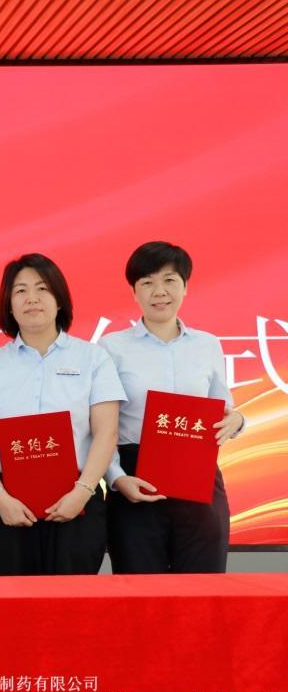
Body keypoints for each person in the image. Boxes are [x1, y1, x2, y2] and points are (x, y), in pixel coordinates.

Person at [0, 253, 126, 575]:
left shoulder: (93, 358)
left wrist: (82, 492)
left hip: (78, 498)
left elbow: (106, 433)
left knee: (73, 602)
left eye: (42, 288)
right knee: (15, 601)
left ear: (59, 300)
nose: (32, 298)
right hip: (9, 505)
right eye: (20, 291)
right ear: (9, 305)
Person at [99, 241, 243, 573]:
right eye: (147, 282)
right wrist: (117, 479)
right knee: (140, 591)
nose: (159, 291)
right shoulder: (111, 347)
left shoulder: (207, 344)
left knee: (202, 588)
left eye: (169, 280)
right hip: (135, 479)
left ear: (185, 286)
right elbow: (101, 426)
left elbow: (223, 407)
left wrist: (237, 420)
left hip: (197, 474)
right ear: (134, 291)